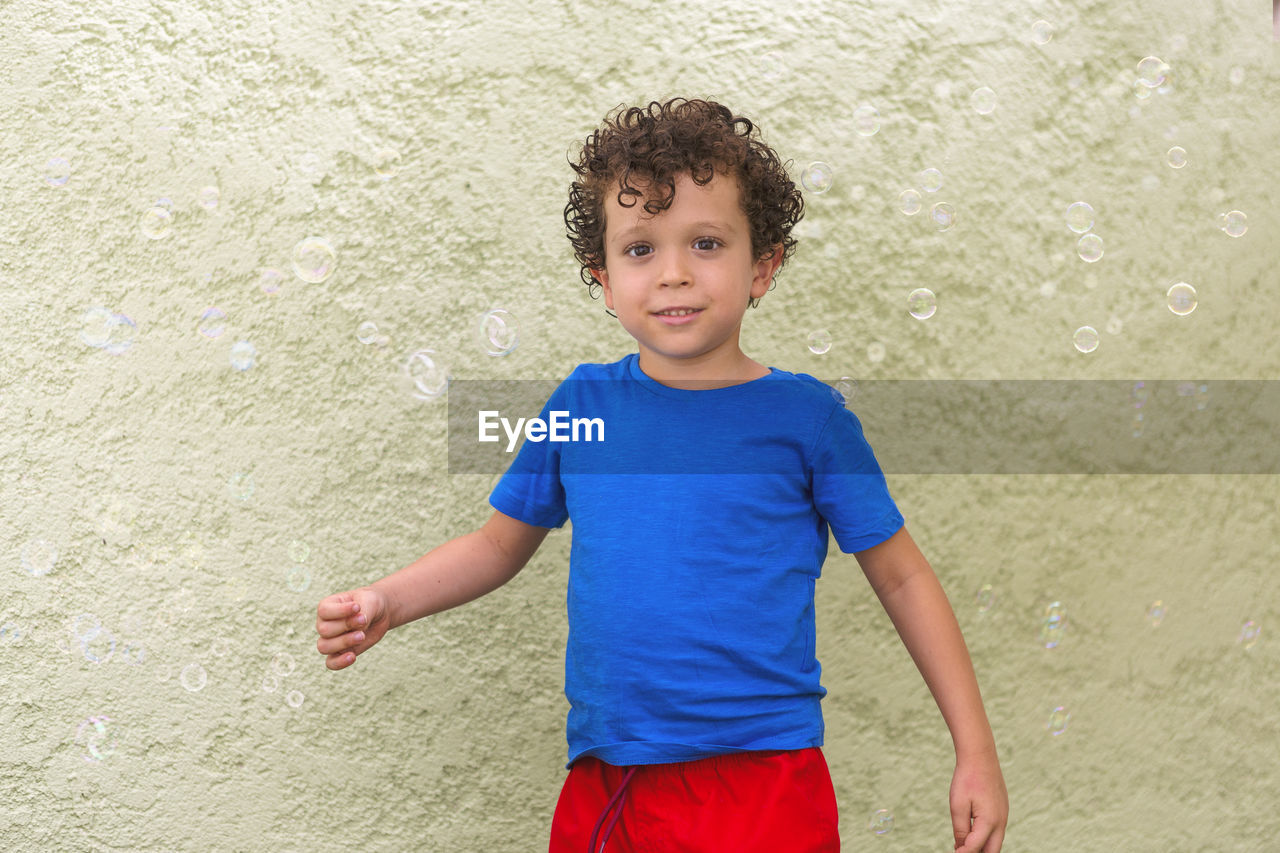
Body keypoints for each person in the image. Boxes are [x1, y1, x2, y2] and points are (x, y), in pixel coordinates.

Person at [315, 97, 1008, 853]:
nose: (673, 273)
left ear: (763, 267)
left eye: (706, 242)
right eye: (640, 249)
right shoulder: (581, 406)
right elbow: (495, 546)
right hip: (609, 782)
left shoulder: (809, 421)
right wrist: (390, 599)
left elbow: (903, 578)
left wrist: (974, 751)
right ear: (604, 280)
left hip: (763, 782)